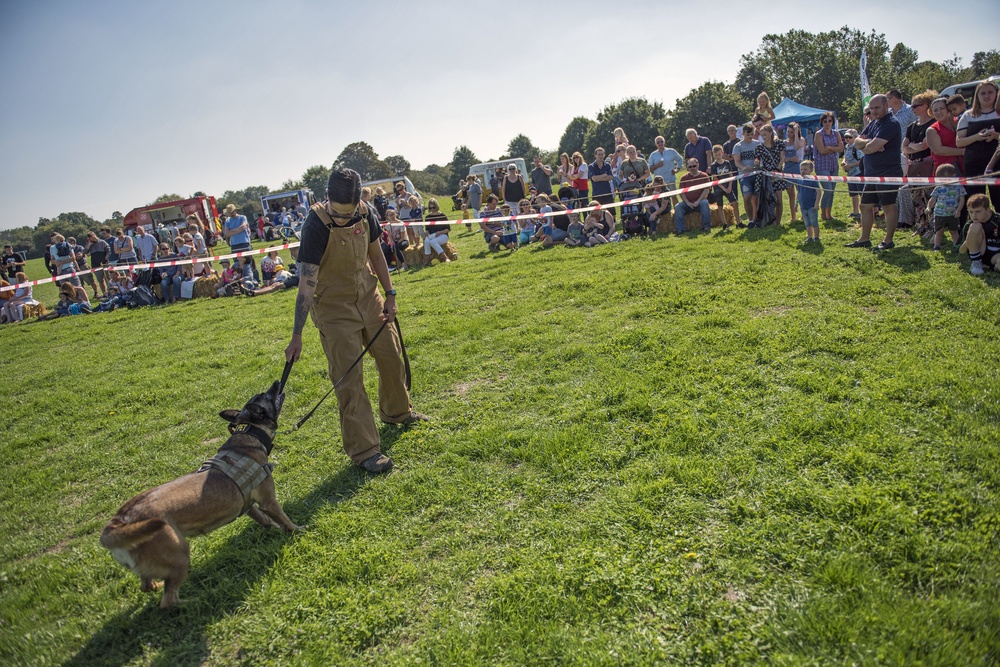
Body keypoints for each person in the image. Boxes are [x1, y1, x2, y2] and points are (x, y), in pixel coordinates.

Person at [285, 168, 425, 474]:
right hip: (334, 310)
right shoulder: (314, 225)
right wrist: (297, 335)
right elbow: (306, 283)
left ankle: (398, 412)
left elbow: (376, 255)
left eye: (347, 214)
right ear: (327, 200)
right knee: (349, 380)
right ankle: (364, 450)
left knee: (391, 356)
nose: (342, 219)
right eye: (336, 213)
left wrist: (390, 293)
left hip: (368, 296)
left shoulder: (366, 212)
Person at [846, 94, 904, 250]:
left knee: (888, 206)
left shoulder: (891, 123)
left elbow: (870, 148)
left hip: (888, 173)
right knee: (865, 206)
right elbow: (857, 142)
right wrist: (869, 143)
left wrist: (869, 145)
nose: (873, 111)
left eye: (876, 108)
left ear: (886, 105)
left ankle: (888, 241)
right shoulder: (873, 123)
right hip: (871, 173)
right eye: (871, 108)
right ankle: (864, 238)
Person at [955, 80, 1000, 209]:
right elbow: (959, 142)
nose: (987, 96)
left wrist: (996, 136)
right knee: (974, 201)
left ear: (996, 94)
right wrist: (977, 137)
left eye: (990, 92)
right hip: (974, 163)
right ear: (977, 96)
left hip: (998, 163)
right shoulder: (968, 116)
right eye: (983, 93)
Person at [753, 124, 788, 226]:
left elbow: (782, 158)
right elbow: (757, 159)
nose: (764, 137)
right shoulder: (759, 147)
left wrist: (777, 170)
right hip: (765, 176)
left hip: (777, 174)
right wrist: (756, 162)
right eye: (762, 135)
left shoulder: (779, 143)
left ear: (771, 133)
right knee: (768, 199)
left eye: (765, 134)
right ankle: (769, 221)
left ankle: (778, 222)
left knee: (779, 201)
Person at [927, 164, 965, 252]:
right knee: (939, 231)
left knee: (954, 231)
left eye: (946, 177)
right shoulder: (938, 188)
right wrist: (929, 207)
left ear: (954, 176)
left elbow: (962, 199)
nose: (943, 180)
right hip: (939, 214)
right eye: (941, 178)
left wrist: (958, 210)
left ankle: (956, 246)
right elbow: (932, 199)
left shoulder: (959, 187)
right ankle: (936, 246)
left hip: (953, 214)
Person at [813, 111, 844, 221]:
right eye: (825, 121)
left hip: (833, 165)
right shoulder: (818, 134)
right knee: (828, 190)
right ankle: (823, 213)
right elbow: (821, 150)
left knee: (832, 191)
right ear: (822, 122)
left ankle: (828, 214)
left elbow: (841, 148)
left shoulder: (836, 133)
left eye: (830, 121)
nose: (827, 123)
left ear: (832, 122)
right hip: (822, 165)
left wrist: (829, 148)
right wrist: (834, 148)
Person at [959, 193, 999, 275]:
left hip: (996, 254)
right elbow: (961, 250)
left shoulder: (997, 221)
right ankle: (976, 263)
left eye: (978, 211)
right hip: (980, 253)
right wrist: (970, 239)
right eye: (971, 212)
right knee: (975, 226)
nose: (974, 215)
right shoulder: (969, 225)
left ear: (988, 210)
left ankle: (994, 267)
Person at [732, 123, 761, 224]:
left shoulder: (757, 144)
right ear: (743, 134)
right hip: (745, 176)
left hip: (757, 174)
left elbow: (760, 157)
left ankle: (759, 217)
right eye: (748, 135)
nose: (750, 137)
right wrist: (744, 167)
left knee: (757, 197)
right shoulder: (738, 146)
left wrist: (758, 162)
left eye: (752, 134)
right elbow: (737, 161)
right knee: (747, 197)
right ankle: (751, 220)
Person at [674, 159, 712, 233]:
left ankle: (706, 226)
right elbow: (681, 192)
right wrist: (688, 203)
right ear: (688, 167)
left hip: (700, 201)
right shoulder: (683, 178)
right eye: (690, 167)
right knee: (678, 206)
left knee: (704, 203)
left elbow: (706, 190)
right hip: (687, 203)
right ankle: (680, 229)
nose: (692, 168)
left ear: (698, 165)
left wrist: (698, 201)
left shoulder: (704, 176)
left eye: (694, 166)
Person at [708, 145, 738, 228]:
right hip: (719, 188)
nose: (717, 156)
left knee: (735, 203)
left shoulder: (727, 163)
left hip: (728, 186)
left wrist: (729, 187)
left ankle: (738, 222)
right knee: (720, 206)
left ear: (722, 153)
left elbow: (730, 175)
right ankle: (724, 223)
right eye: (716, 155)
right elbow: (715, 178)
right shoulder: (714, 165)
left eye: (719, 154)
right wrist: (724, 188)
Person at [648, 135, 684, 203]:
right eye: (658, 142)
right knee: (661, 198)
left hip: (670, 178)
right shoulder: (653, 155)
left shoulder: (671, 151)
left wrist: (677, 169)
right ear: (656, 144)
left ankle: (676, 211)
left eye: (661, 141)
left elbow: (680, 159)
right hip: (659, 182)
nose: (660, 143)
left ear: (664, 142)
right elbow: (650, 168)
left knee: (673, 196)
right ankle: (665, 212)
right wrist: (657, 165)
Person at [783, 122, 805, 222]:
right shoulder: (784, 143)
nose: (789, 134)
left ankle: (804, 215)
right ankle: (793, 217)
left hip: (798, 168)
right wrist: (790, 159)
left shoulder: (801, 140)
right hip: (787, 168)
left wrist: (796, 133)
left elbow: (796, 147)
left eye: (792, 132)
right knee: (790, 194)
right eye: (788, 131)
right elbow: (783, 157)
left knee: (801, 192)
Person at [841, 129, 863, 221]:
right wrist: (843, 162)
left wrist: (850, 165)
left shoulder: (857, 147)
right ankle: (855, 212)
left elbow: (862, 160)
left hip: (858, 172)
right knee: (853, 193)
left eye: (850, 137)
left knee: (862, 193)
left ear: (855, 138)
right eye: (846, 137)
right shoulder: (847, 146)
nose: (847, 139)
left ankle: (864, 212)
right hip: (850, 174)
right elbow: (845, 157)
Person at [589, 147, 616, 218]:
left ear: (604, 155)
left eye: (602, 154)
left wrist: (599, 178)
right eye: (599, 154)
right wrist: (604, 175)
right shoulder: (591, 167)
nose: (600, 156)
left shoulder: (607, 165)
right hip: (597, 193)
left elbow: (611, 177)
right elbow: (594, 179)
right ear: (595, 155)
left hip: (607, 192)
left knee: (611, 212)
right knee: (597, 213)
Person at [422, 198, 451, 263]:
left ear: (436, 206)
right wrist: (426, 233)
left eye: (433, 207)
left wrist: (440, 232)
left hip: (443, 235)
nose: (432, 209)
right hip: (432, 235)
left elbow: (447, 229)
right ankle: (426, 259)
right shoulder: (427, 217)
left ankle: (445, 257)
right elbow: (427, 229)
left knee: (432, 242)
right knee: (427, 241)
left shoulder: (442, 216)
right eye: (430, 208)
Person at [798, 160, 820, 243]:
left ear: (811, 170)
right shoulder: (799, 180)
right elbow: (798, 192)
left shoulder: (813, 180)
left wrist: (816, 204)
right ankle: (809, 237)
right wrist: (796, 204)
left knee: (814, 222)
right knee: (807, 223)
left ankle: (816, 237)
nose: (802, 171)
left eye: (805, 169)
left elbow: (818, 191)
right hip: (803, 206)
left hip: (811, 206)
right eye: (801, 169)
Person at [84, 231, 110, 298]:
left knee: (108, 279)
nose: (94, 238)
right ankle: (104, 293)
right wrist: (89, 244)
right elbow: (85, 252)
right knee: (100, 280)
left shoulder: (102, 242)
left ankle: (111, 292)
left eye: (94, 236)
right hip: (95, 265)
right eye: (91, 237)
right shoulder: (89, 245)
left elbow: (108, 250)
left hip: (105, 263)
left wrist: (106, 258)